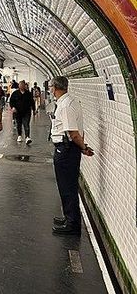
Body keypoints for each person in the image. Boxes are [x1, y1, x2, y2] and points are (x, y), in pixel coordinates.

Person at [49, 76, 94, 235]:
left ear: (55, 88)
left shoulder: (66, 106)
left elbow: (73, 133)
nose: (50, 90)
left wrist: (83, 147)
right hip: (68, 149)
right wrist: (81, 147)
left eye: (51, 87)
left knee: (67, 187)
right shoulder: (69, 101)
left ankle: (72, 225)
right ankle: (69, 217)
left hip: (66, 150)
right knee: (67, 186)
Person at [9, 80, 36, 144]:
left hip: (27, 112)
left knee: (26, 124)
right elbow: (11, 101)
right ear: (19, 86)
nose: (21, 86)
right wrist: (12, 107)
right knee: (19, 124)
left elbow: (32, 102)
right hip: (17, 112)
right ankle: (19, 135)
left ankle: (27, 137)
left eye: (23, 85)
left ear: (25, 86)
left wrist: (34, 110)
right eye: (20, 85)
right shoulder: (15, 93)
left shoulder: (28, 93)